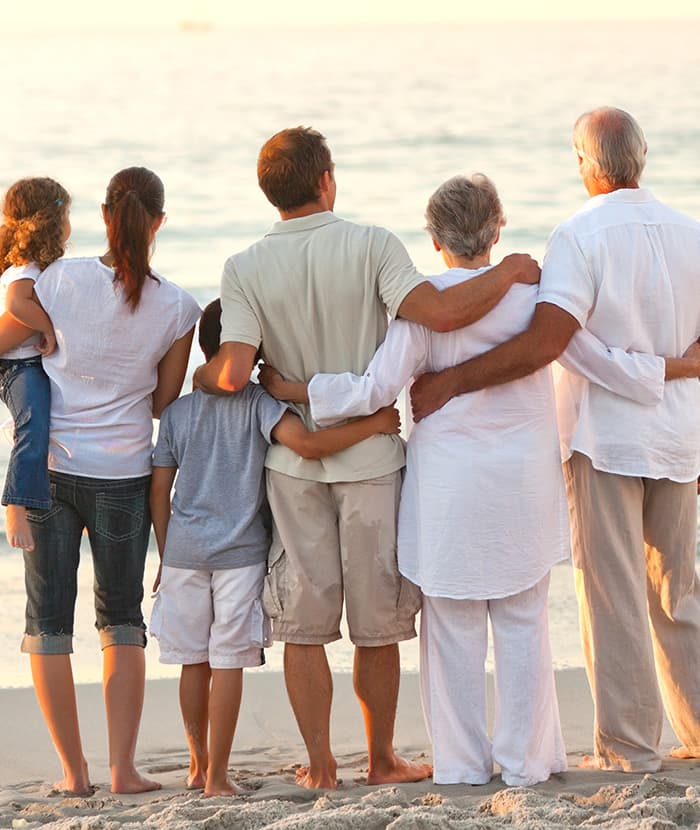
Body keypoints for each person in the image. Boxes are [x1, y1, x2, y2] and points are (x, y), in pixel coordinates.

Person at [260, 173, 671, 785]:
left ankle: (460, 765)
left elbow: (373, 390)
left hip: (450, 490)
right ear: (498, 229)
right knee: (524, 626)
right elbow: (591, 359)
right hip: (523, 484)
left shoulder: (424, 307)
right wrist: (673, 371)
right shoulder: (535, 296)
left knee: (451, 632)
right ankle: (527, 764)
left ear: (434, 239)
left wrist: (291, 389)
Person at [194, 126, 540, 789]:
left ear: (269, 192)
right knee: (376, 622)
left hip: (293, 467)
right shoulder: (373, 243)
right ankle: (381, 759)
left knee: (303, 621)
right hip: (374, 461)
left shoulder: (242, 267)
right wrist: (511, 270)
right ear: (327, 180)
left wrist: (204, 382)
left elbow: (235, 371)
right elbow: (436, 313)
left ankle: (322, 765)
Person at [409, 108, 700, 772]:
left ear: (583, 164)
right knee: (679, 590)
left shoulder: (578, 236)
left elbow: (551, 342)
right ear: (643, 156)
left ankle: (630, 747)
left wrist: (452, 382)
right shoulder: (692, 232)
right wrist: (671, 370)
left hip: (606, 438)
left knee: (614, 592)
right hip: (682, 435)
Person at [150, 299, 402, 797]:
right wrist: (373, 426)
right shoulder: (259, 405)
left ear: (204, 347)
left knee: (192, 661)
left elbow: (160, 489)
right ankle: (219, 779)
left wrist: (164, 550)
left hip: (183, 554)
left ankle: (198, 767)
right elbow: (307, 446)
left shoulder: (177, 413)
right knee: (226, 662)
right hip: (240, 555)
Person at [8, 167, 201, 795]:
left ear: (103, 214)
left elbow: (13, 333)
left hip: (53, 471)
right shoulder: (178, 306)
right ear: (160, 222)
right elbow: (162, 403)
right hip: (123, 474)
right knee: (121, 622)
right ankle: (123, 771)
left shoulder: (56, 279)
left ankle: (74, 775)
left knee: (49, 626)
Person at [0, 177, 70, 551]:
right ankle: (16, 504)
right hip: (18, 366)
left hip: (27, 363)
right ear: (53, 222)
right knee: (34, 425)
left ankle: (67, 504)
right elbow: (16, 305)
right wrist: (48, 329)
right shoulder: (25, 268)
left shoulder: (34, 266)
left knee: (53, 428)